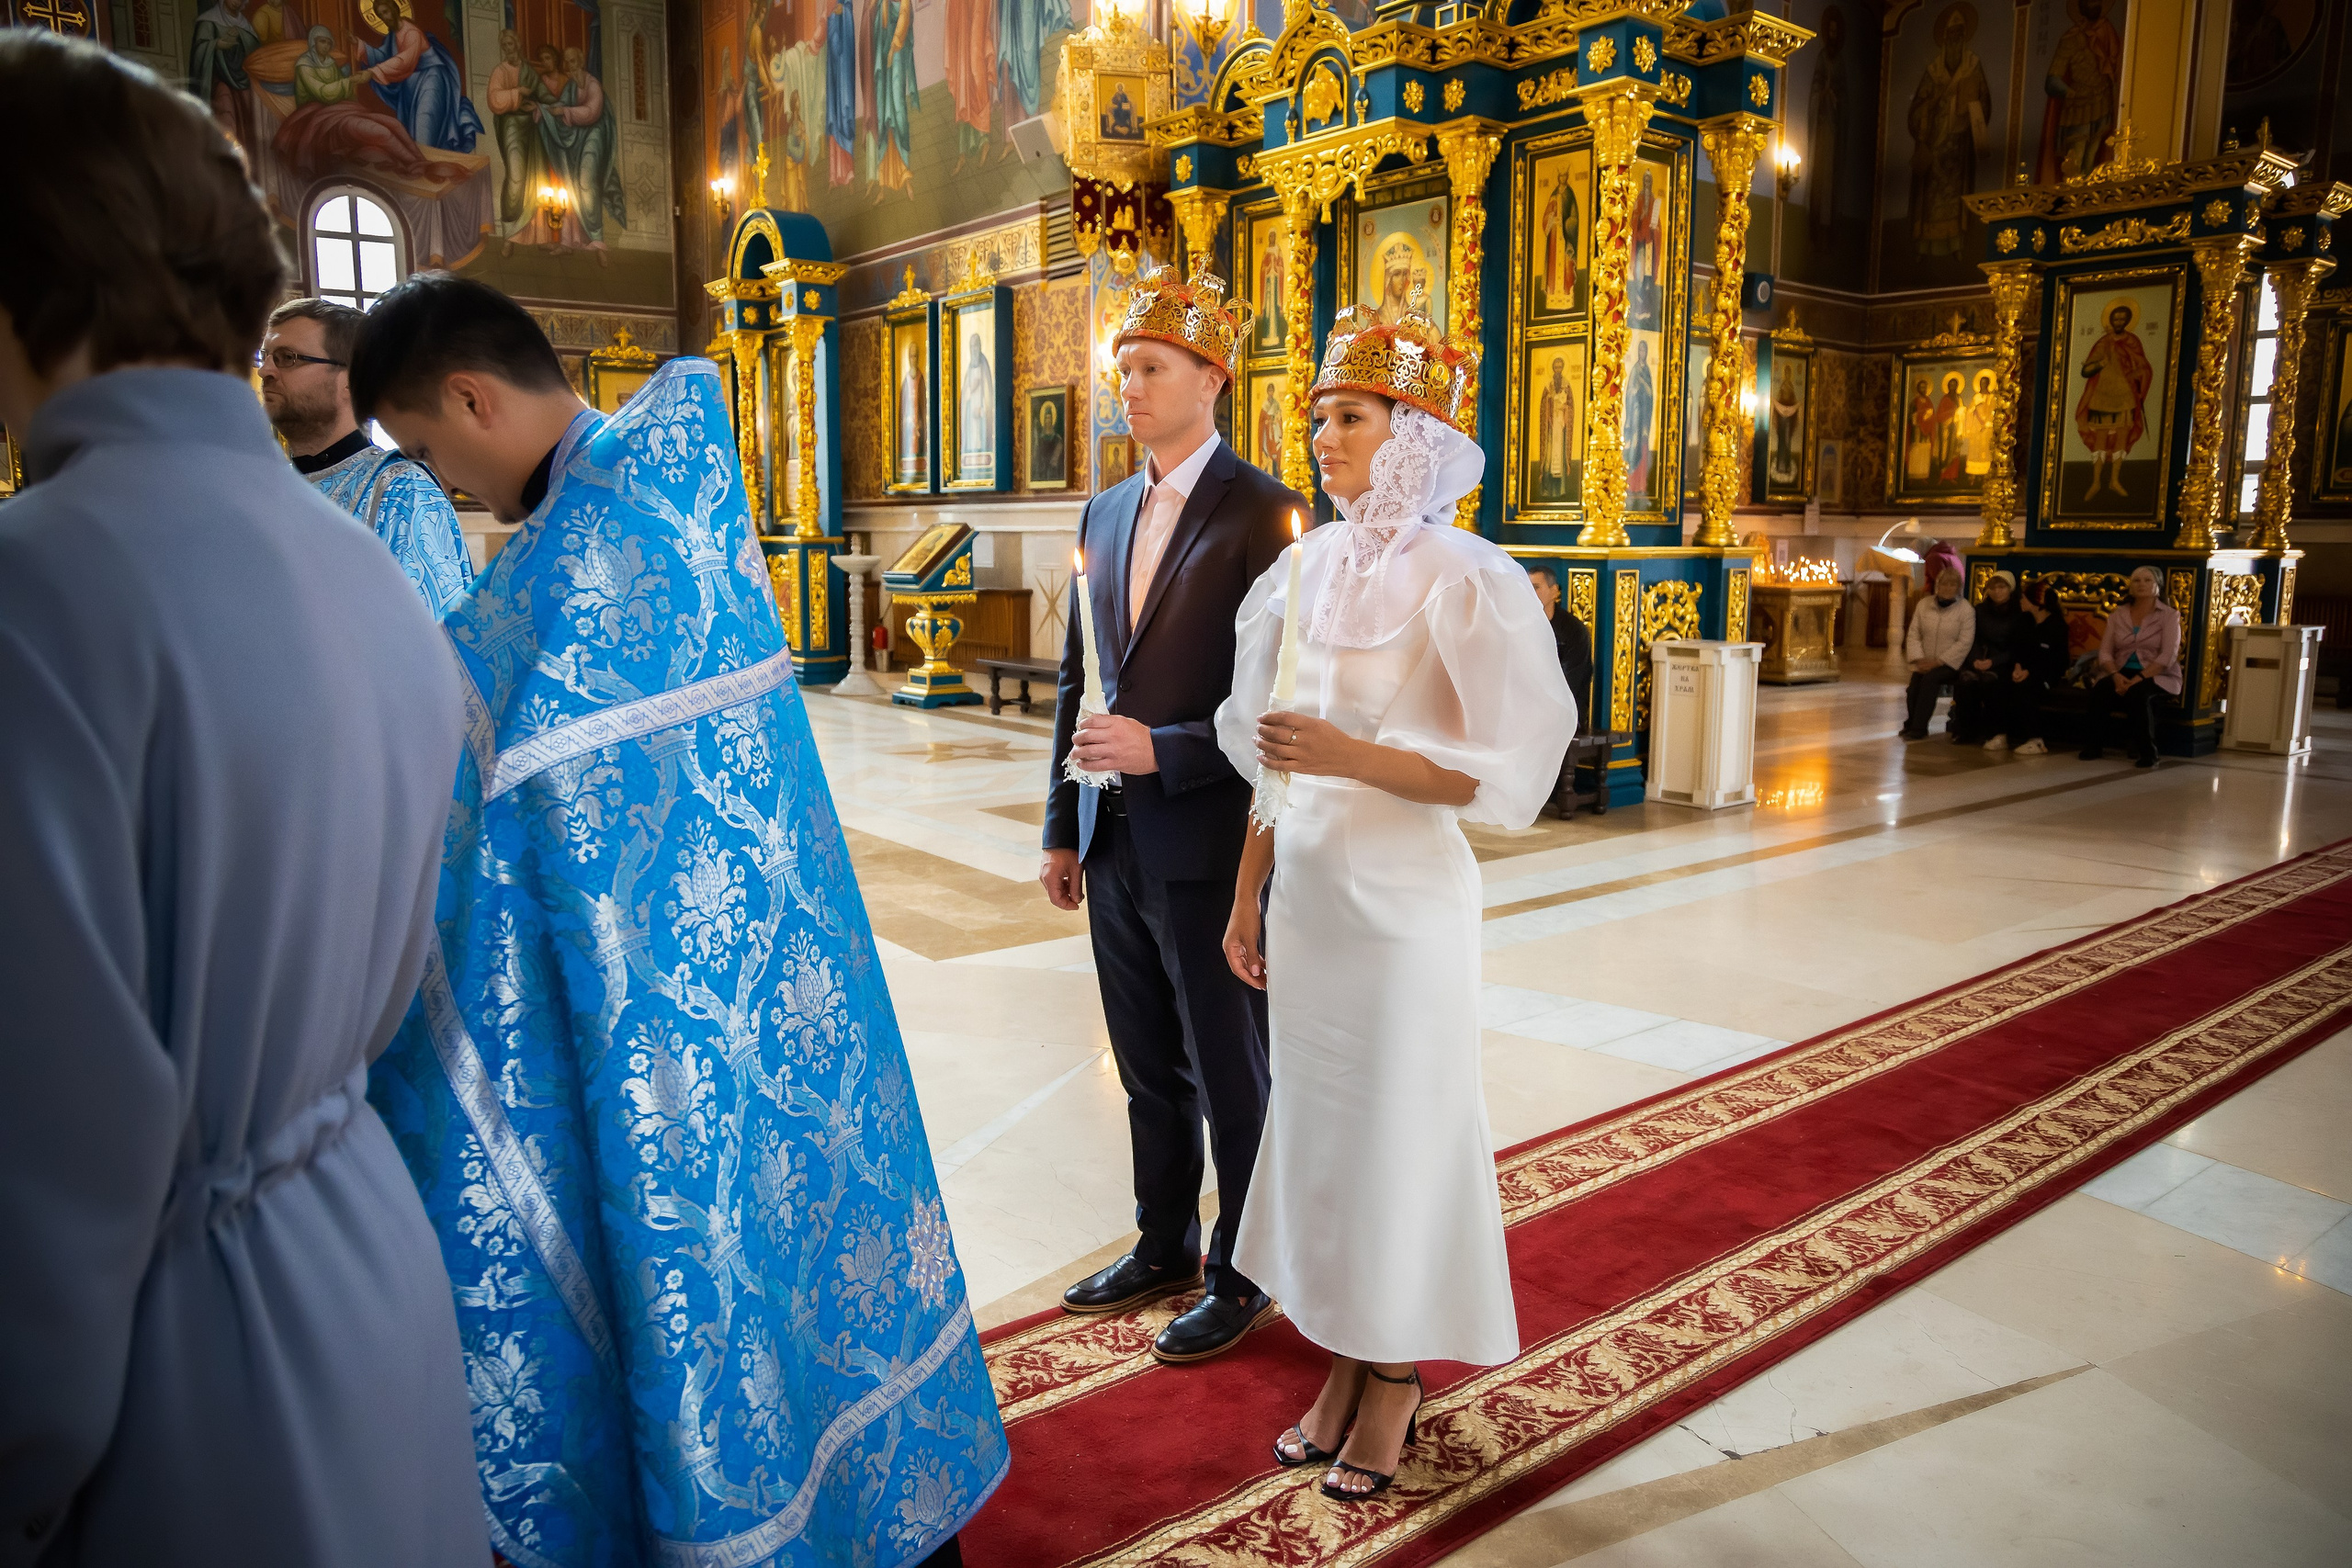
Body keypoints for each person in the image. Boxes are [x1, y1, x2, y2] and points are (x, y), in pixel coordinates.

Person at [351, 275, 1006, 1565]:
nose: (442, 485)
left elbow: (496, 787)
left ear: (473, 398)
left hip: (662, 1030)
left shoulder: (589, 553)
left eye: (429, 451)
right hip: (774, 1005)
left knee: (716, 1270)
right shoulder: (664, 499)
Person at [0, 35, 485, 1563]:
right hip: (370, 1281)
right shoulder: (362, 569)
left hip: (168, 1385)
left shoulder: (37, 592)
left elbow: (45, 1174)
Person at [1216, 301, 1575, 1502]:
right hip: (1311, 900)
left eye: (1351, 415)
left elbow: (1496, 770)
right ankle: (1343, 1356)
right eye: (1318, 414)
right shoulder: (1301, 568)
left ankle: (1396, 1376)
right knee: (1322, 1136)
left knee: (1398, 1139)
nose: (1323, 434)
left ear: (1412, 430)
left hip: (1406, 906)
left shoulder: (1469, 576)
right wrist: (1247, 893)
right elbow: (1274, 753)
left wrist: (1349, 754)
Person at [1042, 267, 1305, 1363]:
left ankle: (1243, 1271)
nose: (1130, 389)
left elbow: (1286, 700)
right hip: (1112, 840)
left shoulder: (1263, 513)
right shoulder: (1104, 510)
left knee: (1228, 1062)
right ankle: (1163, 1237)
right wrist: (1061, 824)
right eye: (1123, 371)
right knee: (1145, 1058)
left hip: (1208, 838)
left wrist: (1170, 749)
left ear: (1212, 376)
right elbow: (1079, 677)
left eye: (1151, 369)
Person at [259, 298, 473, 617]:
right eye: (264, 357)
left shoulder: (402, 491)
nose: (265, 371)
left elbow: (430, 642)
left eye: (287, 358)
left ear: (351, 380)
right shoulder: (260, 490)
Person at [2080, 564, 2181, 766]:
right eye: (2136, 580)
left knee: (2138, 693)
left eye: (2147, 580)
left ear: (2157, 586)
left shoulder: (2169, 616)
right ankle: (2093, 745)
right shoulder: (2119, 614)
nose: (2141, 584)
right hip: (2121, 669)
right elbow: (2106, 652)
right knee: (2101, 689)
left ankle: (2148, 752)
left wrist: (2139, 678)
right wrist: (2116, 675)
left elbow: (2168, 655)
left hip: (2157, 672)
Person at [1988, 577, 2068, 755]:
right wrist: (2017, 667)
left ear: (2036, 602)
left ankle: (2036, 739)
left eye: (2024, 598)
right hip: (2022, 669)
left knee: (2026, 688)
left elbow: (2057, 660)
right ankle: (2000, 734)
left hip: (2047, 674)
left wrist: (2029, 672)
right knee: (2000, 684)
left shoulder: (2056, 626)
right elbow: (2017, 648)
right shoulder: (2024, 621)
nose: (2021, 601)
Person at [1901, 567, 1975, 740]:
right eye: (1944, 584)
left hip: (1949, 663)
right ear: (1937, 585)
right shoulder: (1923, 605)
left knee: (1929, 681)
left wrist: (1938, 662)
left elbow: (1965, 642)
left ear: (1958, 587)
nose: (1948, 588)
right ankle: (1911, 722)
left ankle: (1919, 728)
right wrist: (1919, 659)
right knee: (1913, 688)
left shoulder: (1966, 610)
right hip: (1924, 660)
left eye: (1952, 584)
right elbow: (1914, 633)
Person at [1948, 569, 2018, 744]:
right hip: (1980, 658)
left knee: (1992, 683)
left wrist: (1993, 661)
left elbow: (2017, 646)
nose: (1997, 592)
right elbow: (1971, 638)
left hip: (2004, 661)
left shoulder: (2018, 613)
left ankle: (1993, 731)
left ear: (2010, 589)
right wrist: (1975, 659)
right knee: (1966, 682)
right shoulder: (1980, 610)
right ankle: (1966, 730)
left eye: (2002, 587)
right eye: (1993, 588)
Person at [1526, 562, 1595, 728]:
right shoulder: (1523, 624)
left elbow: (1569, 681)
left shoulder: (1574, 630)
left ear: (1554, 591)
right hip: (1528, 705)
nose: (1530, 594)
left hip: (1564, 711)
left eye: (1536, 587)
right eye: (1527, 588)